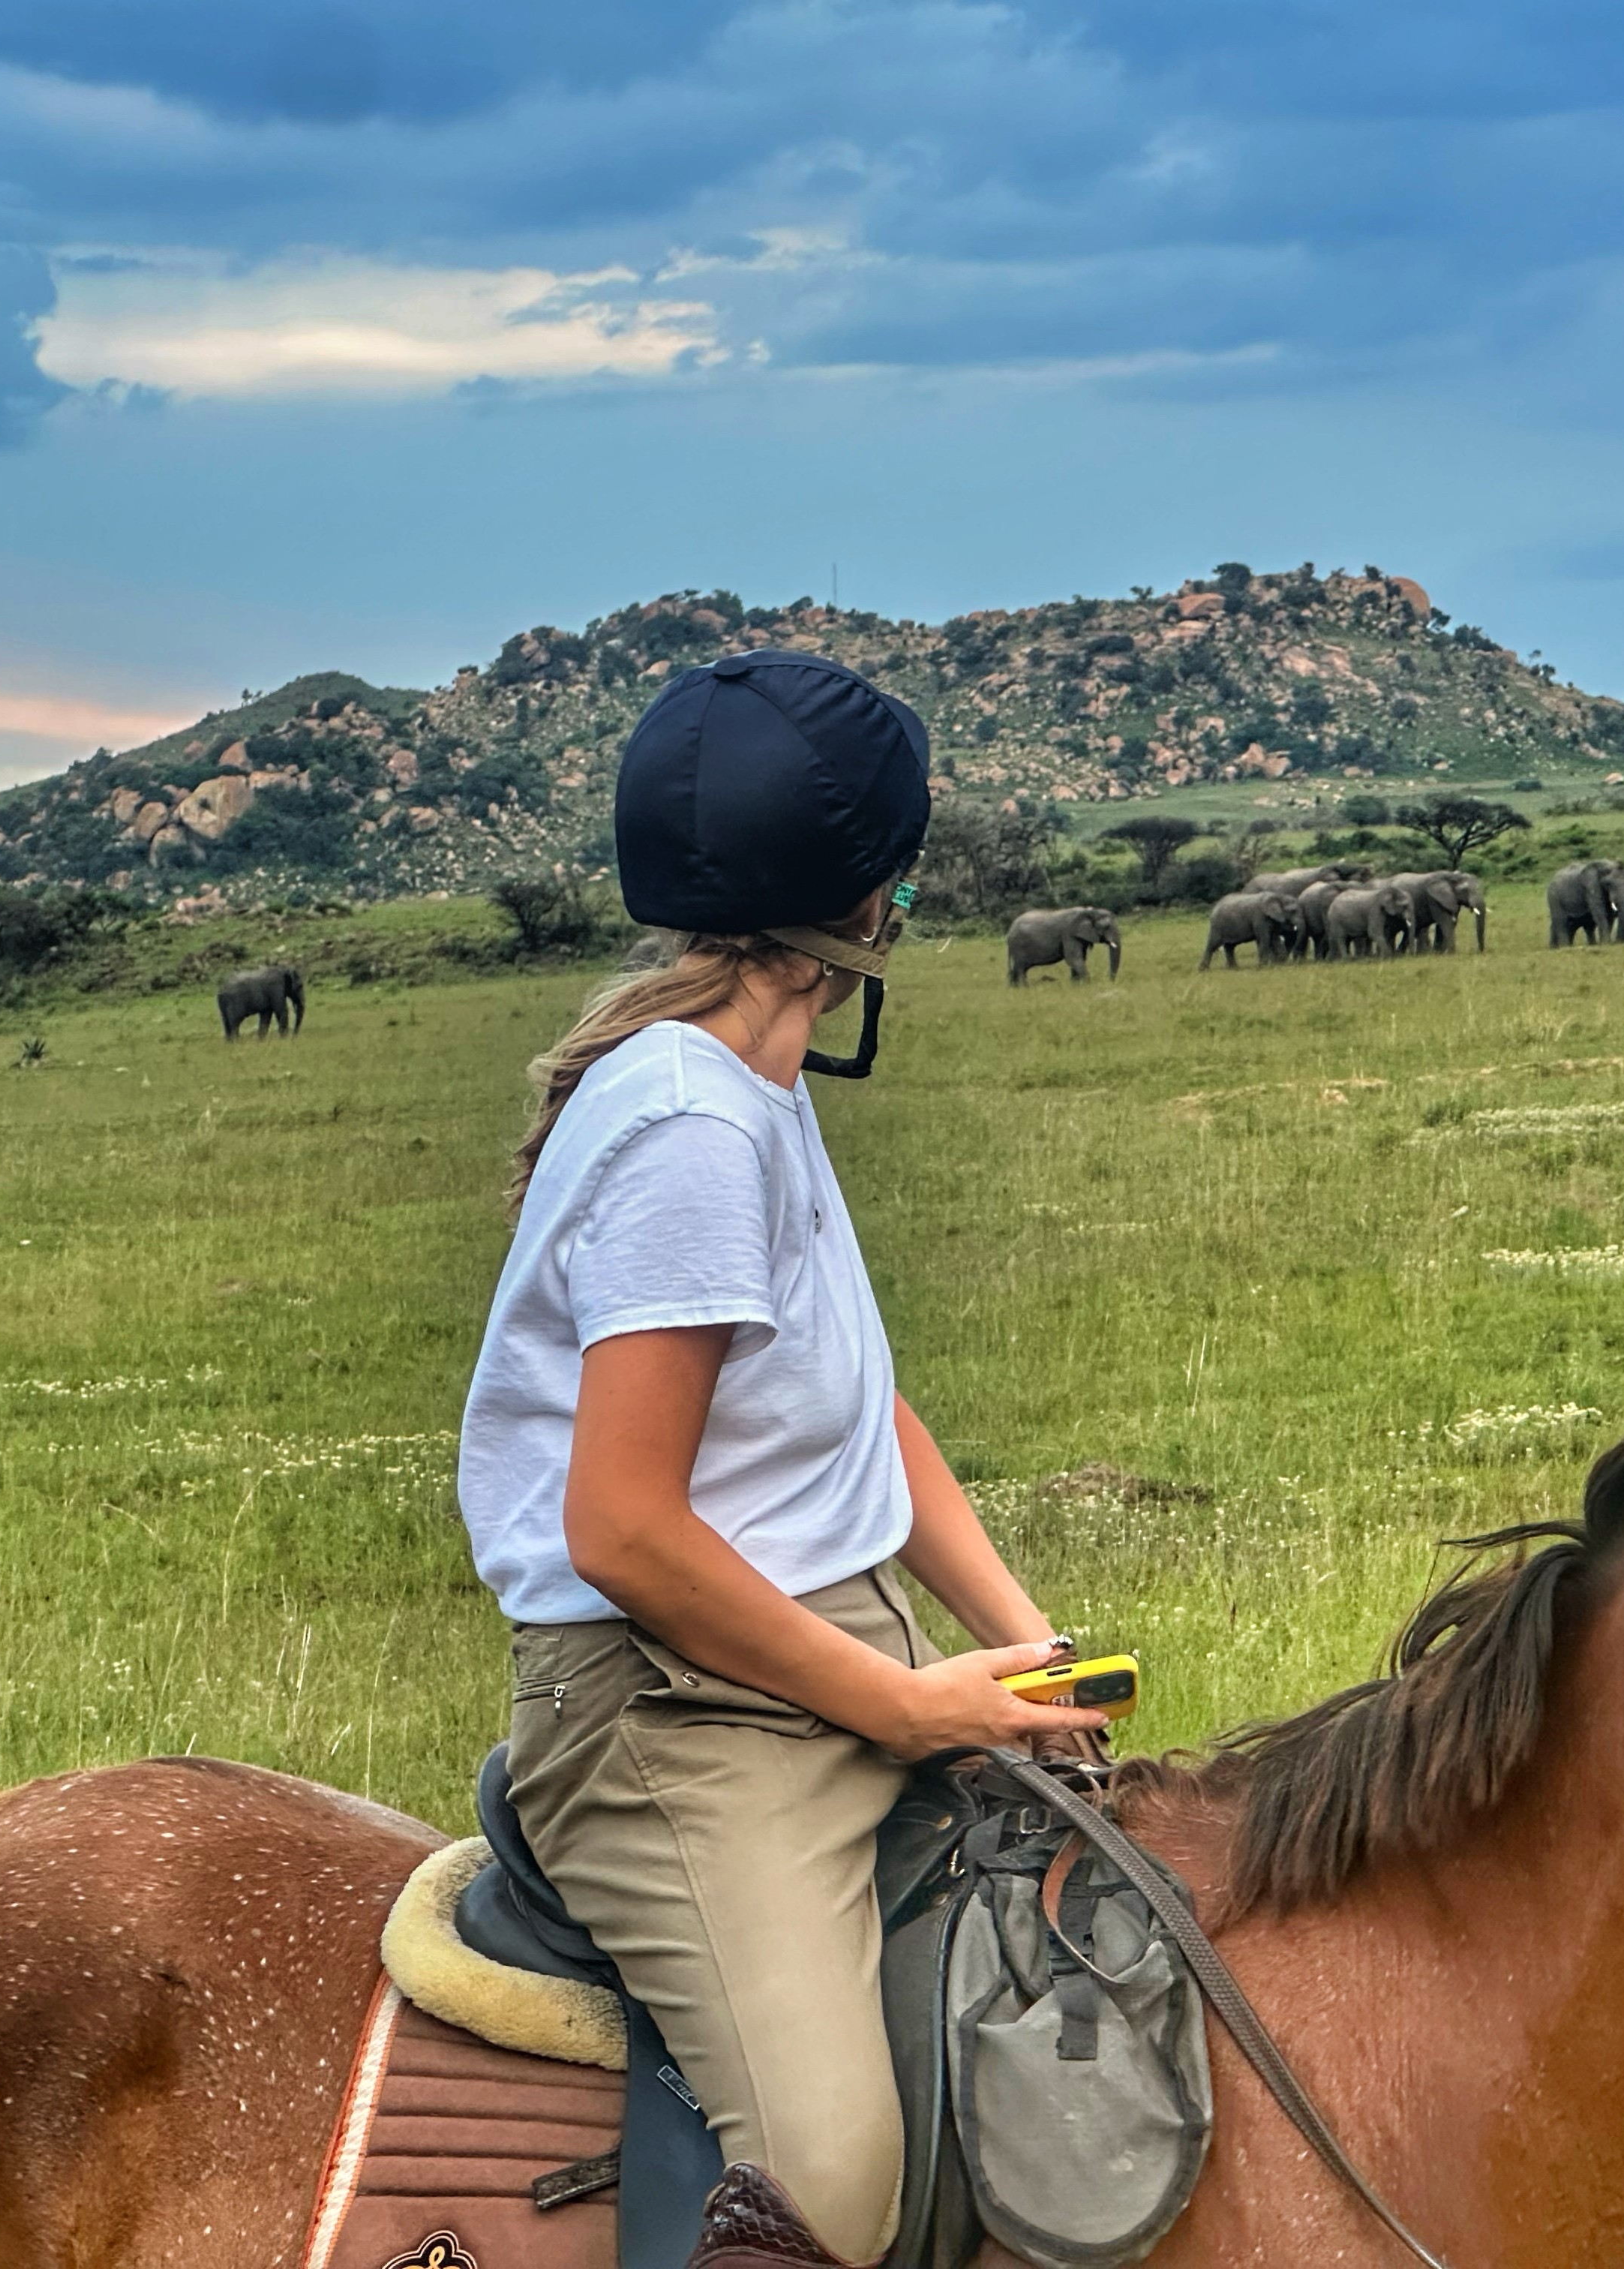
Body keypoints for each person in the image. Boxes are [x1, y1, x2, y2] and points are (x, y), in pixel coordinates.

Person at [456, 650, 1108, 2269]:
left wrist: (1020, 1649)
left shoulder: (755, 1085)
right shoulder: (689, 1125)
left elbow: (869, 1409)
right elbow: (619, 1526)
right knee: (827, 2174)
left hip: (816, 1652)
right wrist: (903, 1706)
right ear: (872, 897)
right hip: (675, 1722)